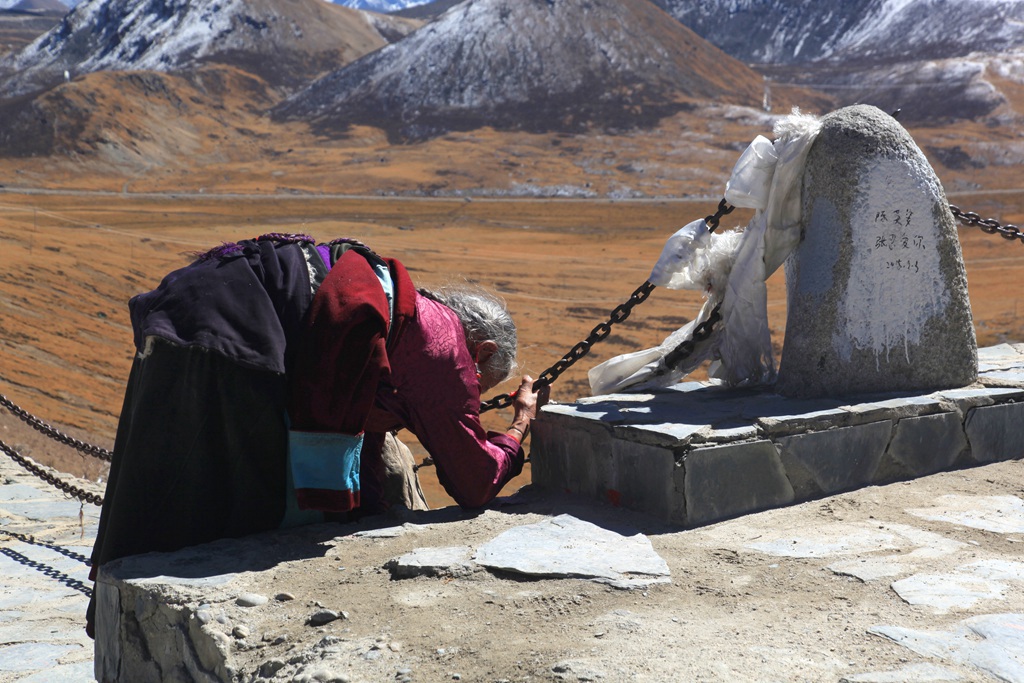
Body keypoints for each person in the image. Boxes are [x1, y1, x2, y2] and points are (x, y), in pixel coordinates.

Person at [86, 234, 547, 637]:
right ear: (481, 350)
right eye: (479, 383)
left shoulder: (401, 317)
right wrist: (520, 423)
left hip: (199, 308)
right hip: (235, 344)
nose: (471, 392)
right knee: (219, 507)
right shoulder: (444, 347)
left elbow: (366, 413)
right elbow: (474, 481)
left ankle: (120, 614)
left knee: (164, 481)